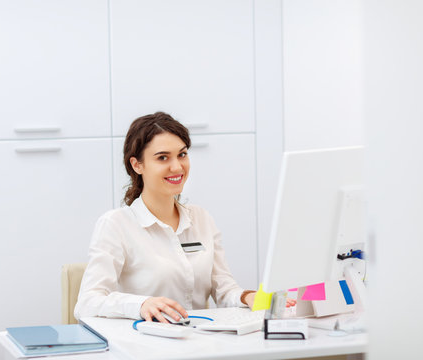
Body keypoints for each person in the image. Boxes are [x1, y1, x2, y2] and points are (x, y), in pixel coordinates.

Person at [74, 111, 294, 323]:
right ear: (137, 165)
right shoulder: (116, 225)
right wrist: (141, 305)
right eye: (162, 158)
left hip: (199, 341)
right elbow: (88, 302)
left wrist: (249, 297)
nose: (177, 167)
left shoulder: (201, 219)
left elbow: (224, 290)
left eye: (182, 154)